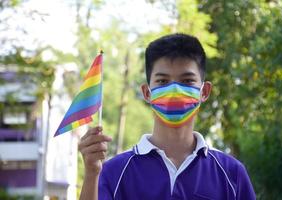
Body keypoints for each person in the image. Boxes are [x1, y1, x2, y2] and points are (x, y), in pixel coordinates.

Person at [78, 33, 256, 200]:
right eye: (163, 81)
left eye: (187, 81)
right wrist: (91, 174)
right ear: (147, 93)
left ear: (205, 91)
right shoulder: (113, 172)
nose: (174, 92)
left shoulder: (232, 173)